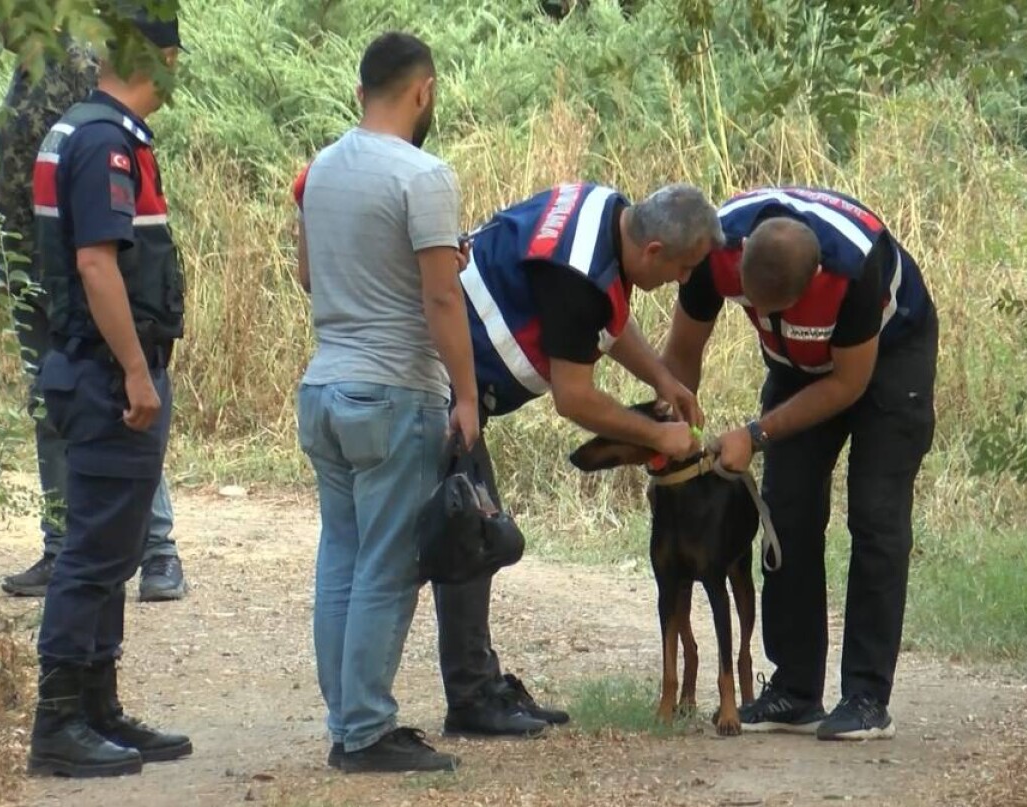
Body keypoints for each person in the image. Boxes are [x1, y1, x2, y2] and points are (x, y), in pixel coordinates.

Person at [433, 180, 722, 737]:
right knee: (470, 533)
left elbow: (607, 319)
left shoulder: (606, 212)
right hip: (437, 387)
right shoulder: (579, 276)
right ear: (654, 252)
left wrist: (663, 377)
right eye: (684, 268)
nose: (684, 282)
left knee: (469, 532)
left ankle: (476, 685)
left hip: (454, 384)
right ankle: (466, 698)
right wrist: (660, 439)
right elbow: (576, 398)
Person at [662, 186, 937, 741]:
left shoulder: (854, 268)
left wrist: (757, 433)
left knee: (876, 516)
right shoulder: (712, 247)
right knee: (785, 512)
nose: (757, 317)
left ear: (811, 283)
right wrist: (676, 425)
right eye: (750, 304)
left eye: (772, 309)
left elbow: (848, 384)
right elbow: (684, 350)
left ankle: (864, 697)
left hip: (888, 360)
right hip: (795, 364)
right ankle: (794, 688)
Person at [292, 32, 478, 774]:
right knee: (389, 564)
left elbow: (311, 275)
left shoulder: (320, 171)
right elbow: (439, 295)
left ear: (360, 87)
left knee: (341, 554)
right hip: (395, 391)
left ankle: (348, 720)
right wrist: (466, 394)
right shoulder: (425, 174)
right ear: (423, 90)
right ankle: (367, 729)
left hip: (325, 387)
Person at [25, 10, 193, 778]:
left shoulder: (90, 131)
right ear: (156, 58)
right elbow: (97, 264)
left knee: (114, 546)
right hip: (102, 375)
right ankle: (59, 721)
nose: (176, 73)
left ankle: (98, 706)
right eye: (174, 58)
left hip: (96, 369)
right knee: (94, 551)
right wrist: (133, 368)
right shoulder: (103, 141)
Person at [0, 32, 188, 603]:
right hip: (36, 267)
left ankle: (155, 551)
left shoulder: (81, 66)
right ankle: (61, 545)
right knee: (57, 407)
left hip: (83, 267)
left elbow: (108, 162)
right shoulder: (21, 75)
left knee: (122, 404)